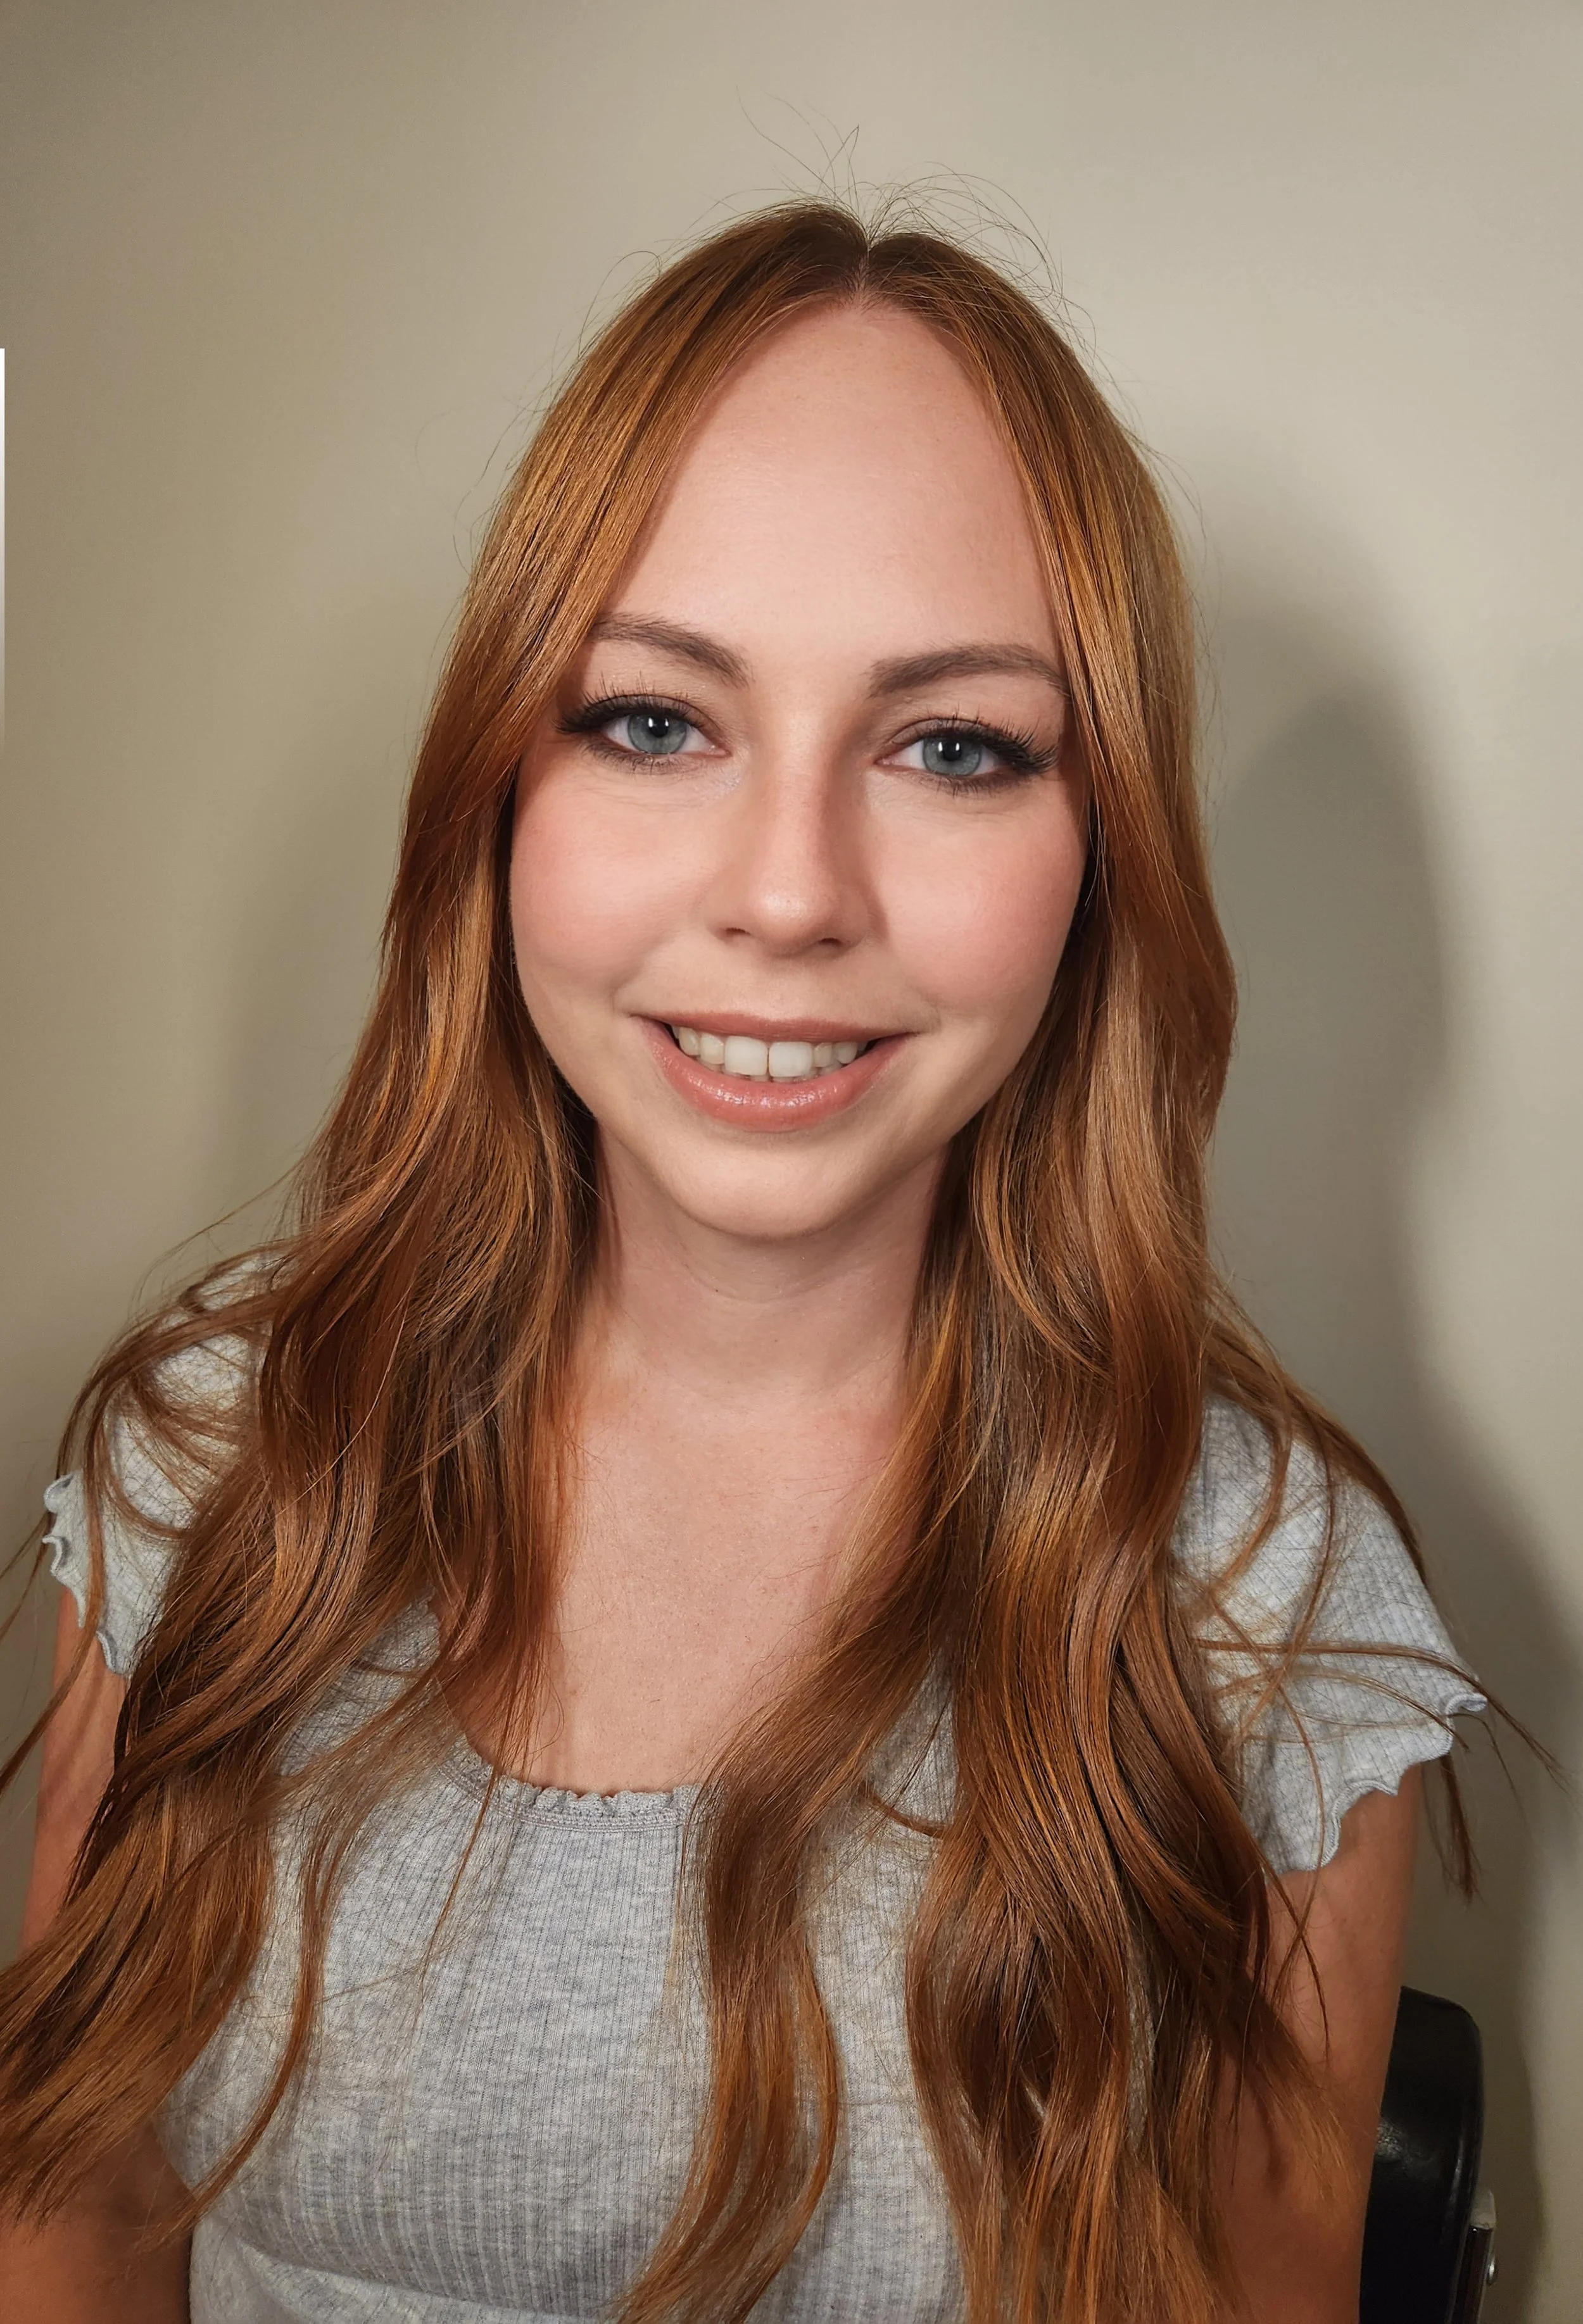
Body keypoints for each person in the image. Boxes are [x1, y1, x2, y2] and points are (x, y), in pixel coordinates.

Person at [0, 199, 1489, 2324]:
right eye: (652, 719)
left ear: (1101, 859)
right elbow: (72, 2219)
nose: (788, 893)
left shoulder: (1266, 1619)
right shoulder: (209, 1460)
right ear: (498, 792)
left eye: (953, 745)